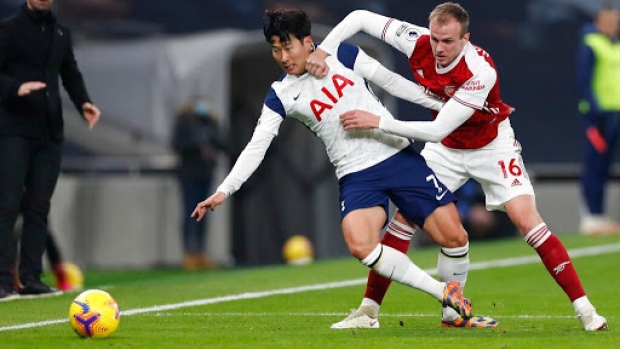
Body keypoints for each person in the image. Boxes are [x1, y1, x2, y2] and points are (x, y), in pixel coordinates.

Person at [305, 2, 608, 331]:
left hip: (490, 145)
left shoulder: (481, 71)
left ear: (466, 39)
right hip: (446, 150)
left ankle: (585, 310)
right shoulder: (416, 40)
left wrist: (379, 122)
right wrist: (324, 49)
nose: (438, 48)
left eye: (448, 41)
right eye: (435, 38)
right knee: (404, 219)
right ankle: (370, 312)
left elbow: (437, 129)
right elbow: (359, 18)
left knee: (527, 220)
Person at [192, 8, 492, 327]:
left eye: (288, 46)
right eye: (275, 49)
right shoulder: (281, 94)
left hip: (398, 157)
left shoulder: (342, 54)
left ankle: (451, 318)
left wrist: (445, 107)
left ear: (308, 42)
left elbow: (391, 82)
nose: (282, 56)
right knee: (360, 244)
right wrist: (225, 190)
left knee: (454, 237)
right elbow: (256, 146)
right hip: (356, 175)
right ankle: (441, 292)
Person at [0, 0, 101, 301]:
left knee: (38, 207)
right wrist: (15, 88)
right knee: (7, 206)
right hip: (14, 131)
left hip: (50, 133)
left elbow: (69, 71)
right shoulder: (8, 30)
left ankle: (31, 277)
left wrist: (83, 101)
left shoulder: (60, 32)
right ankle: (3, 280)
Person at [576, 4, 620, 236]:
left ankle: (600, 214)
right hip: (599, 119)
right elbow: (584, 84)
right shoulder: (591, 45)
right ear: (599, 21)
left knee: (606, 168)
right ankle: (590, 216)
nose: (613, 25)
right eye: (609, 21)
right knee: (594, 166)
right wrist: (592, 115)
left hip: (616, 116)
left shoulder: (616, 46)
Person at [172, 97, 227, 270]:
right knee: (190, 212)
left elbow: (224, 144)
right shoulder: (184, 122)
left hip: (206, 174)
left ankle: (200, 252)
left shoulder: (211, 123)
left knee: (204, 214)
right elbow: (177, 144)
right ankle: (189, 253)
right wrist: (196, 142)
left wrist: (212, 139)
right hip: (189, 174)